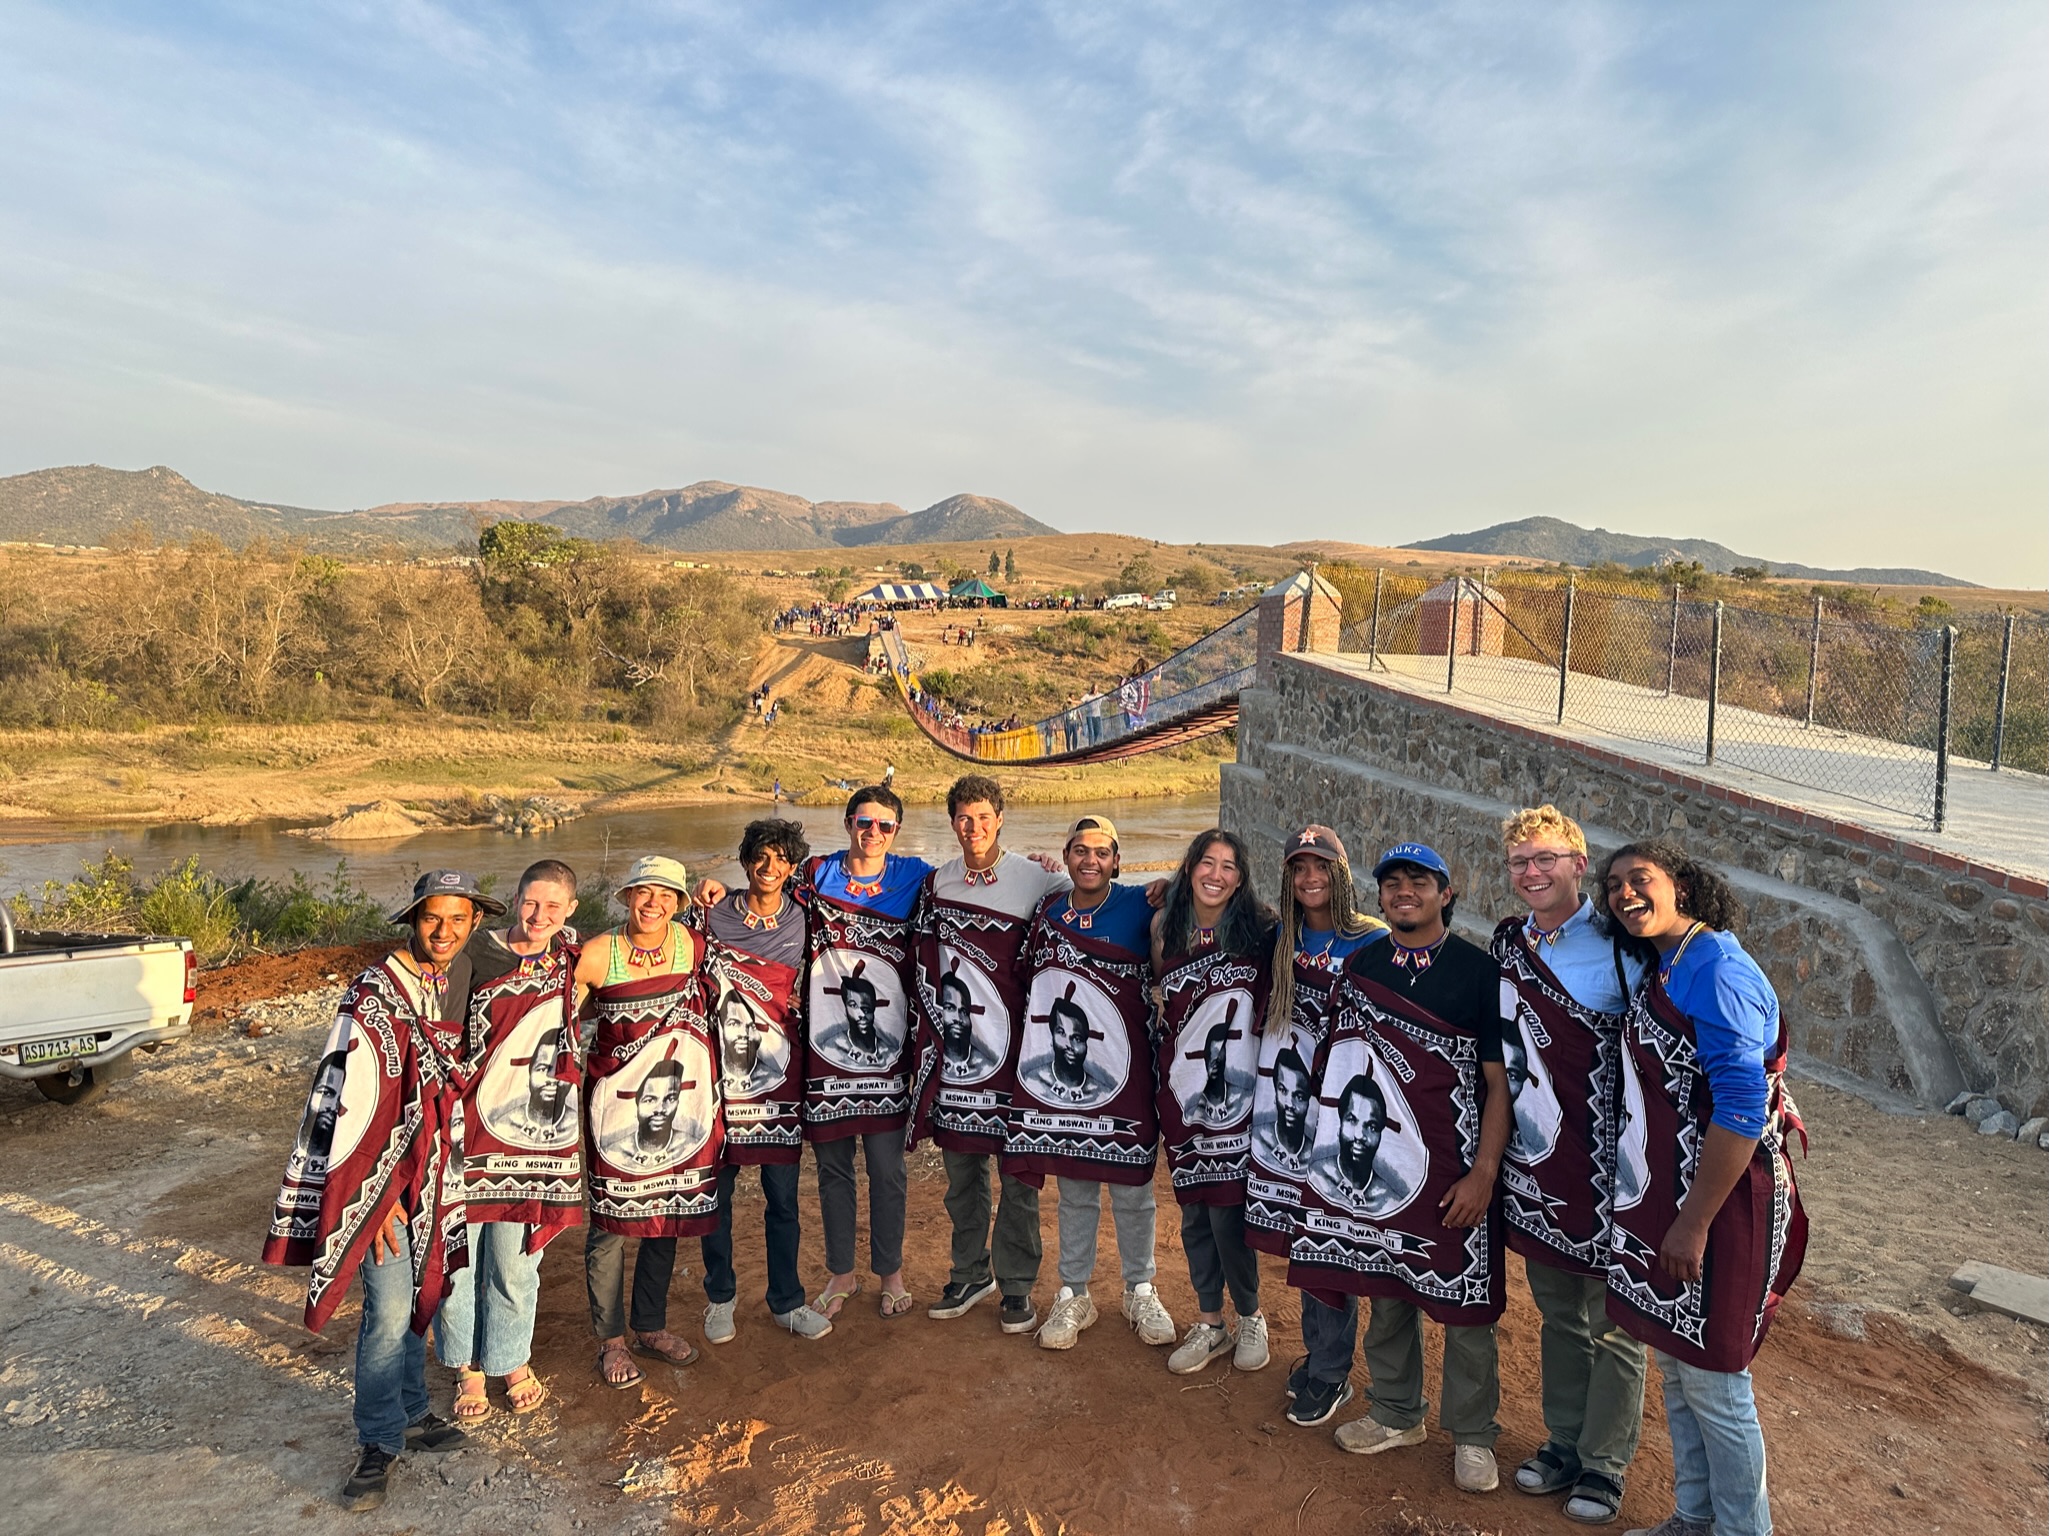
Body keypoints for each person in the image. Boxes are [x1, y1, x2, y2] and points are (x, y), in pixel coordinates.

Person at [264, 869, 501, 1512]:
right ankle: (377, 1441)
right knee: (389, 1311)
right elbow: (350, 1100)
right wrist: (379, 1193)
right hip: (384, 1183)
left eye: (458, 919)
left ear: (475, 922)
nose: (445, 931)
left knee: (423, 1293)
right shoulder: (376, 992)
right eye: (432, 918)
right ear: (413, 920)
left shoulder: (466, 974)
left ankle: (414, 1412)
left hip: (440, 1171)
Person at [1600, 841, 1806, 1536]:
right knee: (1677, 1363)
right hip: (1675, 1193)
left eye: (1640, 880)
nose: (1625, 893)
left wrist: (1692, 1224)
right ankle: (1693, 1518)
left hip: (1724, 1202)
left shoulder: (1717, 969)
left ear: (1680, 885)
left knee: (1717, 1381)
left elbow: (1742, 1111)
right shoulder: (1673, 963)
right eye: (1615, 886)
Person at [1296, 843, 1510, 1497]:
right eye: (1391, 884)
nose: (1402, 892)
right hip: (1382, 1165)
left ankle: (1472, 1436)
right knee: (1386, 1284)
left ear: (1445, 893)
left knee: (1465, 1305)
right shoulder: (1360, 965)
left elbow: (1499, 1086)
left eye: (1418, 882)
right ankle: (1395, 1412)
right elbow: (1340, 1064)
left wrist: (1482, 1174)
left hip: (1455, 1168)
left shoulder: (1478, 972)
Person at [1493, 806, 1649, 1525]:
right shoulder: (1507, 946)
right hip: (1537, 1161)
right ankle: (1562, 1441)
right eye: (1520, 861)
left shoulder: (1623, 950)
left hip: (1612, 1162)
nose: (1532, 871)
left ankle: (1605, 1463)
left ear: (1578, 864)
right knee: (1558, 1313)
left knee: (1615, 1320)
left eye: (1545, 858)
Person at [1007, 816, 1176, 1355]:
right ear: (1067, 855)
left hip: (1125, 1069)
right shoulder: (1049, 911)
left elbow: (1197, 920)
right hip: (1062, 1080)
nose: (1090, 860)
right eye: (1079, 851)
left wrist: (1174, 886)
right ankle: (1074, 1292)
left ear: (1117, 861)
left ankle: (1139, 1289)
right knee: (1074, 1186)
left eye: (1101, 852)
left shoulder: (1141, 905)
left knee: (1133, 1187)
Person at [910, 774, 1069, 1336]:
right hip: (958, 1056)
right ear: (951, 823)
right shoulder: (938, 884)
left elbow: (1095, 892)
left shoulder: (1039, 879)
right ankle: (969, 1271)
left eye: (982, 817)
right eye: (962, 819)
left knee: (1019, 1175)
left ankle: (1018, 1285)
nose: (973, 829)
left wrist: (1160, 890)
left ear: (1000, 818)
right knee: (962, 1176)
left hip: (1020, 1054)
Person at [437, 860, 584, 1425]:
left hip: (537, 1135)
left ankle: (510, 1356)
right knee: (461, 1256)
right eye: (530, 902)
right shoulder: (476, 954)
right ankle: (467, 1365)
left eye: (553, 907)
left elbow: (653, 944)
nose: (539, 916)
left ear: (570, 911)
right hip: (469, 1130)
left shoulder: (572, 958)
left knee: (518, 1257)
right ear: (515, 897)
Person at [574, 856, 723, 1389]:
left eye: (666, 894)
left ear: (679, 904)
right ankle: (611, 1341)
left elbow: (743, 973)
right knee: (611, 1225)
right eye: (644, 892)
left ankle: (650, 1327)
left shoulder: (690, 944)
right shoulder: (597, 954)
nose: (653, 903)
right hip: (617, 1110)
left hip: (678, 1106)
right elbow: (556, 1018)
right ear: (628, 896)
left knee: (665, 1214)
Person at [1258, 827, 1388, 1430]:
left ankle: (1334, 1372)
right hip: (1293, 1109)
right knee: (1303, 1235)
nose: (1310, 878)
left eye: (1321, 866)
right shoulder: (1281, 936)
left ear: (1341, 872)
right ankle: (1321, 1352)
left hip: (1345, 1115)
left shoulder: (1372, 941)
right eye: (1298, 868)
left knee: (1332, 1235)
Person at [696, 819, 834, 1340]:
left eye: (781, 859)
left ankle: (788, 1302)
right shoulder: (712, 913)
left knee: (783, 1197)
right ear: (745, 859)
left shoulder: (805, 918)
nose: (770, 867)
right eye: (761, 856)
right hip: (719, 1074)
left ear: (793, 867)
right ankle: (720, 1298)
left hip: (778, 1074)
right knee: (718, 1196)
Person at [1151, 828, 1276, 1376]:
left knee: (1229, 1211)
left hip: (1243, 1096)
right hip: (1185, 1090)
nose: (1216, 875)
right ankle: (1210, 1321)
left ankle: (1250, 1315)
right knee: (1195, 1211)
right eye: (1207, 862)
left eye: (1229, 866)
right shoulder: (1163, 927)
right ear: (1190, 868)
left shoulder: (1262, 929)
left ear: (1241, 878)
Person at [801, 785, 927, 1320]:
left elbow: (978, 881)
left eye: (885, 825)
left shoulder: (916, 875)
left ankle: (891, 1272)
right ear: (848, 822)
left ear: (896, 831)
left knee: (887, 1170)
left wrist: (1042, 869)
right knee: (833, 1171)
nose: (873, 833)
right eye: (864, 822)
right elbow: (762, 883)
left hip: (888, 1050)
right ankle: (841, 1274)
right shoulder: (815, 873)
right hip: (827, 1054)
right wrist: (714, 889)